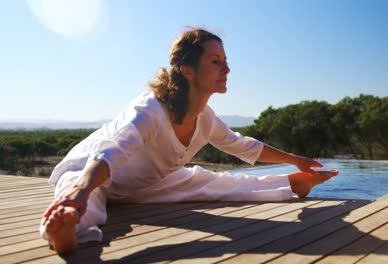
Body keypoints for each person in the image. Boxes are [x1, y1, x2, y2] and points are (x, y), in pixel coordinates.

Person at [40, 28, 339, 254]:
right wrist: (80, 190)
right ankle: (67, 229)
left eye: (225, 60)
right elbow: (108, 153)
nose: (227, 68)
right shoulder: (150, 110)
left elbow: (243, 145)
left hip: (143, 184)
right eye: (215, 61)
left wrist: (295, 159)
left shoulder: (205, 118)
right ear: (187, 70)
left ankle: (292, 183)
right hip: (93, 168)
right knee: (83, 193)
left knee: (210, 181)